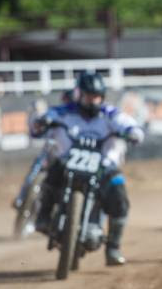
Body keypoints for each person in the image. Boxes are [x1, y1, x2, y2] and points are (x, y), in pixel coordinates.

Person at [32, 71, 144, 265]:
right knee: (52, 172)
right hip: (68, 163)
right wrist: (42, 122)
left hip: (103, 167)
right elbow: (42, 122)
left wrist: (132, 133)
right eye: (89, 96)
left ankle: (113, 248)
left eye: (97, 96)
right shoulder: (65, 112)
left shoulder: (110, 114)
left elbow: (129, 125)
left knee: (119, 193)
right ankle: (43, 216)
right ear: (80, 95)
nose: (93, 100)